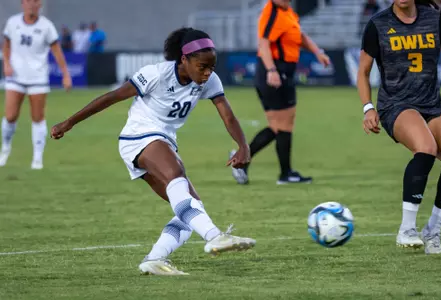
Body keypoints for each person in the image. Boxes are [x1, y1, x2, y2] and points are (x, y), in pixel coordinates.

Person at [50, 28, 256, 275]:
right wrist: (69, 122)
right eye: (202, 66)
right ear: (184, 59)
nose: (208, 72)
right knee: (176, 175)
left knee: (192, 209)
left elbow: (228, 115)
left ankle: (154, 259)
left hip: (163, 141)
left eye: (211, 67)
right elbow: (112, 97)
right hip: (138, 136)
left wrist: (243, 145)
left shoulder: (209, 81)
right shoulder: (156, 74)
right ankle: (214, 236)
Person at [357, 0, 441, 254]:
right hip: (395, 105)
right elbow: (363, 71)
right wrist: (368, 108)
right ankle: (406, 229)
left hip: (432, 104)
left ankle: (433, 229)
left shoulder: (434, 20)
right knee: (426, 148)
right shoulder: (378, 24)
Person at [230, 0, 330, 185]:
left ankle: (244, 160)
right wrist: (272, 71)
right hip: (275, 72)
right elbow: (264, 43)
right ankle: (282, 173)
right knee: (282, 125)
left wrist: (317, 51)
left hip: (281, 72)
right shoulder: (272, 13)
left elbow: (299, 35)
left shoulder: (287, 11)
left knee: (280, 125)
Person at [1, 0, 72, 169]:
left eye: (35, 2)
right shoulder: (13, 23)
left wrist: (65, 74)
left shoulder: (47, 26)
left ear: (39, 5)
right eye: (28, 2)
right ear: (22, 4)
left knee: (37, 117)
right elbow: (6, 45)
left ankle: (37, 158)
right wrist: (6, 64)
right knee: (10, 116)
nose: (32, 5)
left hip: (38, 77)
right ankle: (5, 148)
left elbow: (57, 51)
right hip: (16, 77)